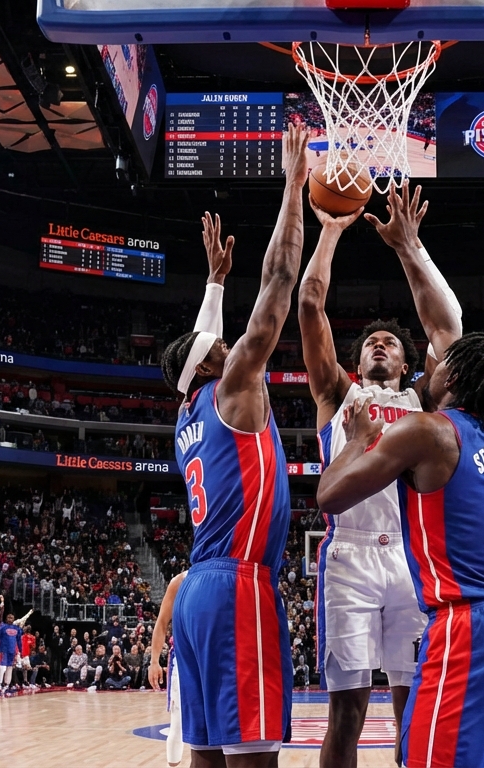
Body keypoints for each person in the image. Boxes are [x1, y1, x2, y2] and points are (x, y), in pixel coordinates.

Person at [317, 331, 484, 768]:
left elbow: (329, 496)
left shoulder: (425, 429)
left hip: (464, 619)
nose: (431, 367)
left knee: (428, 754)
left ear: (452, 376)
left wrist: (359, 440)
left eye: (440, 363)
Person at [298, 179, 461, 768]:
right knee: (346, 715)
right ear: (359, 358)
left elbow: (449, 332)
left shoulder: (424, 401)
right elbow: (310, 306)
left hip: (412, 560)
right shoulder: (337, 395)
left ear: (407, 360)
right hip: (350, 557)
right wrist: (329, 232)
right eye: (371, 342)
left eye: (390, 342)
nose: (380, 345)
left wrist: (411, 248)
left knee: (412, 712)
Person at [161, 123, 309, 767]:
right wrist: (293, 187)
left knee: (206, 753)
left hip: (198, 589)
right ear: (209, 365)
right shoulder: (234, 388)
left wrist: (215, 283)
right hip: (238, 585)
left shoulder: (188, 413)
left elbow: (200, 346)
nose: (228, 343)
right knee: (252, 755)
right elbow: (278, 282)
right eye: (219, 346)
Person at [149, 570, 189, 768]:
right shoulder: (180, 581)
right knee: (178, 721)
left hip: (213, 657)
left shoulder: (225, 576)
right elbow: (162, 622)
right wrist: (154, 661)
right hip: (183, 658)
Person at [0, 606, 33, 696]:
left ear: (14, 619)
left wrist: (21, 651)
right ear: (6, 618)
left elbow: (19, 641)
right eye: (8, 617)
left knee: (10, 668)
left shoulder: (16, 629)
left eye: (12, 618)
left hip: (12, 652)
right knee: (2, 667)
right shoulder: (3, 627)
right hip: (3, 651)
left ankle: (6, 686)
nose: (10, 619)